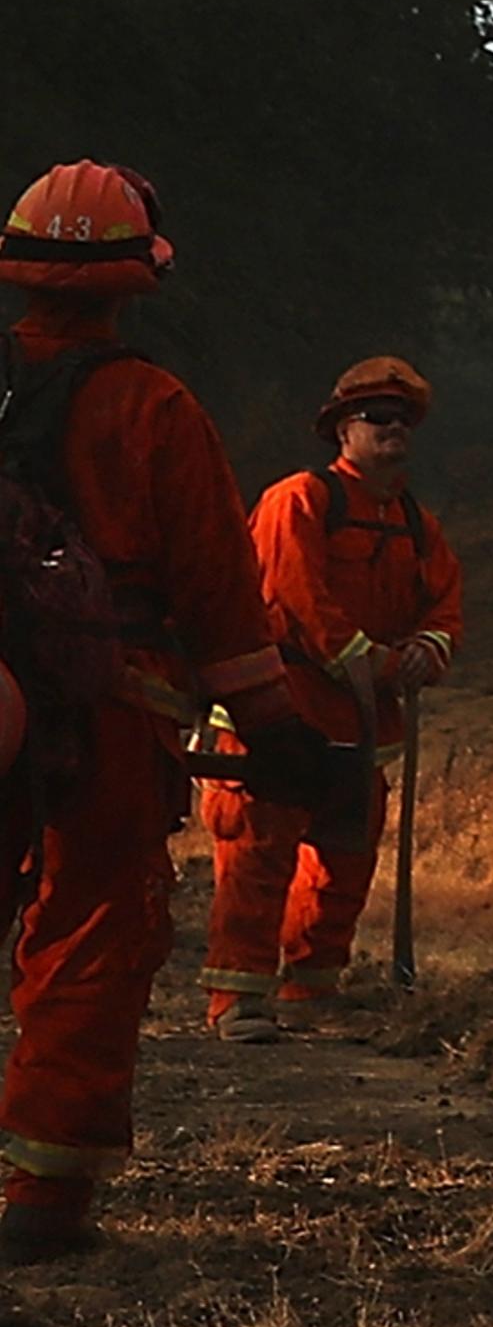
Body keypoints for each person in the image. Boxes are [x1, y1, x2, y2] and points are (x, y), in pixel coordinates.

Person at [0, 164, 315, 1264]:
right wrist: (273, 730)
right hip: (107, 713)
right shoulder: (152, 407)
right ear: (140, 276)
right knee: (91, 927)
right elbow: (220, 591)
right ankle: (41, 1195)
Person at [200, 355, 462, 1038]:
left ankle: (310, 990)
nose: (394, 429)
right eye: (379, 417)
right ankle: (236, 1000)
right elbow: (296, 599)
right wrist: (369, 661)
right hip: (278, 717)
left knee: (343, 863)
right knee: (259, 857)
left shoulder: (415, 523)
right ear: (344, 429)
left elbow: (445, 605)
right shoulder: (299, 501)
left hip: (362, 727)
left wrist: (426, 651)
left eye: (404, 419)